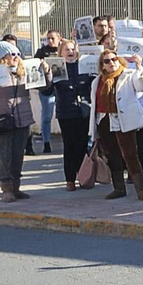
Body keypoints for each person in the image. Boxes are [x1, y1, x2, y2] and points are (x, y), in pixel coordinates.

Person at [90, 49, 143, 202]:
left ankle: (141, 190)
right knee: (111, 155)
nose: (111, 63)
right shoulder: (97, 80)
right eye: (107, 61)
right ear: (102, 65)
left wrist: (139, 66)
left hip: (123, 119)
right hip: (104, 120)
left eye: (114, 59)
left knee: (130, 154)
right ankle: (118, 188)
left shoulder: (128, 75)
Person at [0, 42, 34, 202]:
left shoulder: (23, 73)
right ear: (3, 57)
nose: (17, 57)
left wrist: (46, 71)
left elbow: (45, 87)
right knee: (5, 157)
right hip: (1, 121)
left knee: (18, 155)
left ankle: (16, 188)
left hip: (22, 121)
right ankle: (7, 189)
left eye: (18, 54)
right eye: (13, 54)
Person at [50, 39, 93, 191]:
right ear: (61, 52)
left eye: (72, 49)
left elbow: (92, 85)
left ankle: (84, 177)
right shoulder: (57, 68)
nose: (70, 52)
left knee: (83, 145)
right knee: (69, 146)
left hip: (83, 111)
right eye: (67, 50)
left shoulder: (84, 66)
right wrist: (48, 77)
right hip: (66, 112)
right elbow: (47, 91)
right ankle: (70, 179)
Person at [34, 29, 60, 154]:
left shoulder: (64, 49)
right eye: (48, 38)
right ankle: (46, 142)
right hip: (47, 88)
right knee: (46, 116)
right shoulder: (41, 51)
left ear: (59, 38)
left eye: (52, 38)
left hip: (61, 87)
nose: (50, 41)